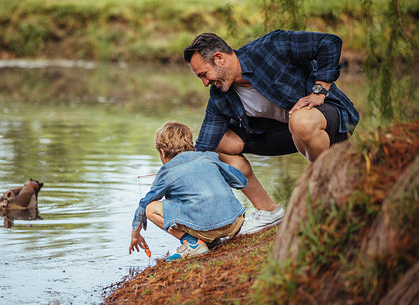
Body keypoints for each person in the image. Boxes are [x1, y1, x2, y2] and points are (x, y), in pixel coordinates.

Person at [183, 30, 359, 232]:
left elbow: (330, 42)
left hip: (326, 120)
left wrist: (319, 90)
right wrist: (176, 173)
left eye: (204, 75)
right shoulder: (220, 96)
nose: (205, 83)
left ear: (219, 58)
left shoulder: (272, 47)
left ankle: (328, 193)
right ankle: (269, 211)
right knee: (218, 145)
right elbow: (204, 147)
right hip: (288, 134)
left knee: (300, 120)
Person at [129, 121, 247, 262]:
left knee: (150, 208)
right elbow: (241, 182)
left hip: (208, 227)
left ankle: (193, 244)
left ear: (162, 152)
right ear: (191, 144)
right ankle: (212, 242)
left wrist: (135, 235)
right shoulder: (209, 157)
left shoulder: (167, 171)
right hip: (234, 223)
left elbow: (144, 204)